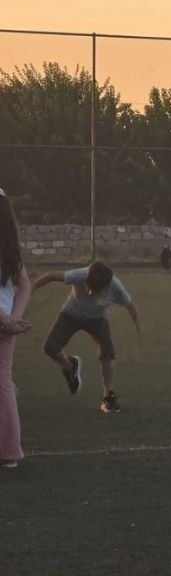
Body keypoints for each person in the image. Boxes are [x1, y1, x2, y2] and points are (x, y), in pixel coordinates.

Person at [33, 261, 143, 414]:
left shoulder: (116, 287)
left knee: (107, 354)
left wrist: (138, 333)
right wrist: (29, 290)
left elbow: (131, 309)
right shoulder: (79, 274)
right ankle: (70, 366)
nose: (90, 292)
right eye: (88, 286)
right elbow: (51, 276)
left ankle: (108, 396)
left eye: (95, 290)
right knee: (50, 348)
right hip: (71, 314)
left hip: (97, 320)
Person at [0, 189, 34, 468]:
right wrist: (12, 318)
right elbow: (25, 283)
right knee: (3, 385)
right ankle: (10, 453)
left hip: (4, 322)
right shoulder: (10, 246)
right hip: (6, 326)